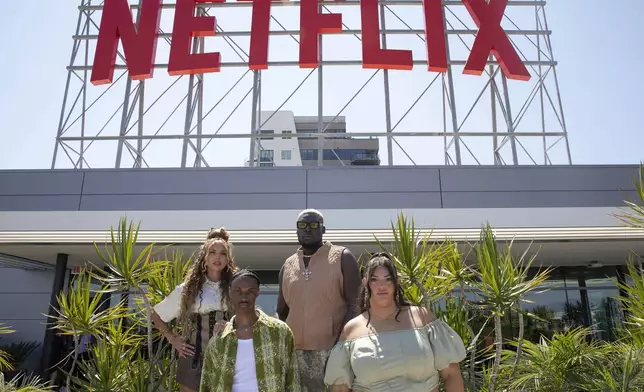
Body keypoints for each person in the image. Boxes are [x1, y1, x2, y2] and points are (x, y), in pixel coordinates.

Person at [324, 252, 467, 392]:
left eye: (388, 279)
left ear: (396, 282)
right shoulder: (352, 330)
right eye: (374, 279)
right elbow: (339, 387)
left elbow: (452, 374)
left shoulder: (423, 318)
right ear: (365, 282)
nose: (382, 286)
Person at [277, 209, 361, 392]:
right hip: (295, 356)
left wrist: (340, 345)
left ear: (323, 230)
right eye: (302, 225)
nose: (307, 229)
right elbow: (282, 312)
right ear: (296, 230)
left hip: (333, 352)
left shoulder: (342, 257)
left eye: (314, 225)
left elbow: (355, 305)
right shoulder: (287, 266)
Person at [152, 227, 235, 392]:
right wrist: (172, 338)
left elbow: (247, 318)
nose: (217, 257)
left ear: (228, 258)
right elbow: (156, 316)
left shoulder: (235, 287)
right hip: (192, 358)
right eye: (212, 252)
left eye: (223, 253)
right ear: (204, 256)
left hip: (225, 356)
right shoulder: (188, 289)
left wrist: (230, 323)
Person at [200, 269, 301, 392]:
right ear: (230, 293)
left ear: (258, 292)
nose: (244, 296)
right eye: (238, 291)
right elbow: (206, 382)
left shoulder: (280, 332)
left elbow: (292, 378)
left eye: (250, 291)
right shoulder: (219, 340)